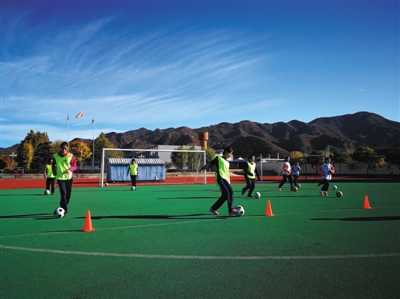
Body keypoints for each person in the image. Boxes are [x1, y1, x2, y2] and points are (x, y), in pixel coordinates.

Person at [201, 147, 239, 216]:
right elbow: (210, 163)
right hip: (220, 178)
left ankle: (213, 208)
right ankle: (231, 210)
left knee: (225, 195)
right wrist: (204, 168)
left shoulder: (227, 162)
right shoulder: (218, 158)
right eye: (230, 153)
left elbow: (226, 172)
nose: (231, 155)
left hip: (225, 179)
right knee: (230, 191)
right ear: (226, 152)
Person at [52, 142, 77, 216]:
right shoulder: (55, 156)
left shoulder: (70, 156)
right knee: (63, 193)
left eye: (65, 148)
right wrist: (54, 171)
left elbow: (74, 166)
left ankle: (63, 205)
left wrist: (70, 170)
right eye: (62, 148)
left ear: (68, 148)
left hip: (69, 177)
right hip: (60, 178)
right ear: (60, 148)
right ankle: (65, 210)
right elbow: (53, 165)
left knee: (68, 194)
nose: (64, 150)